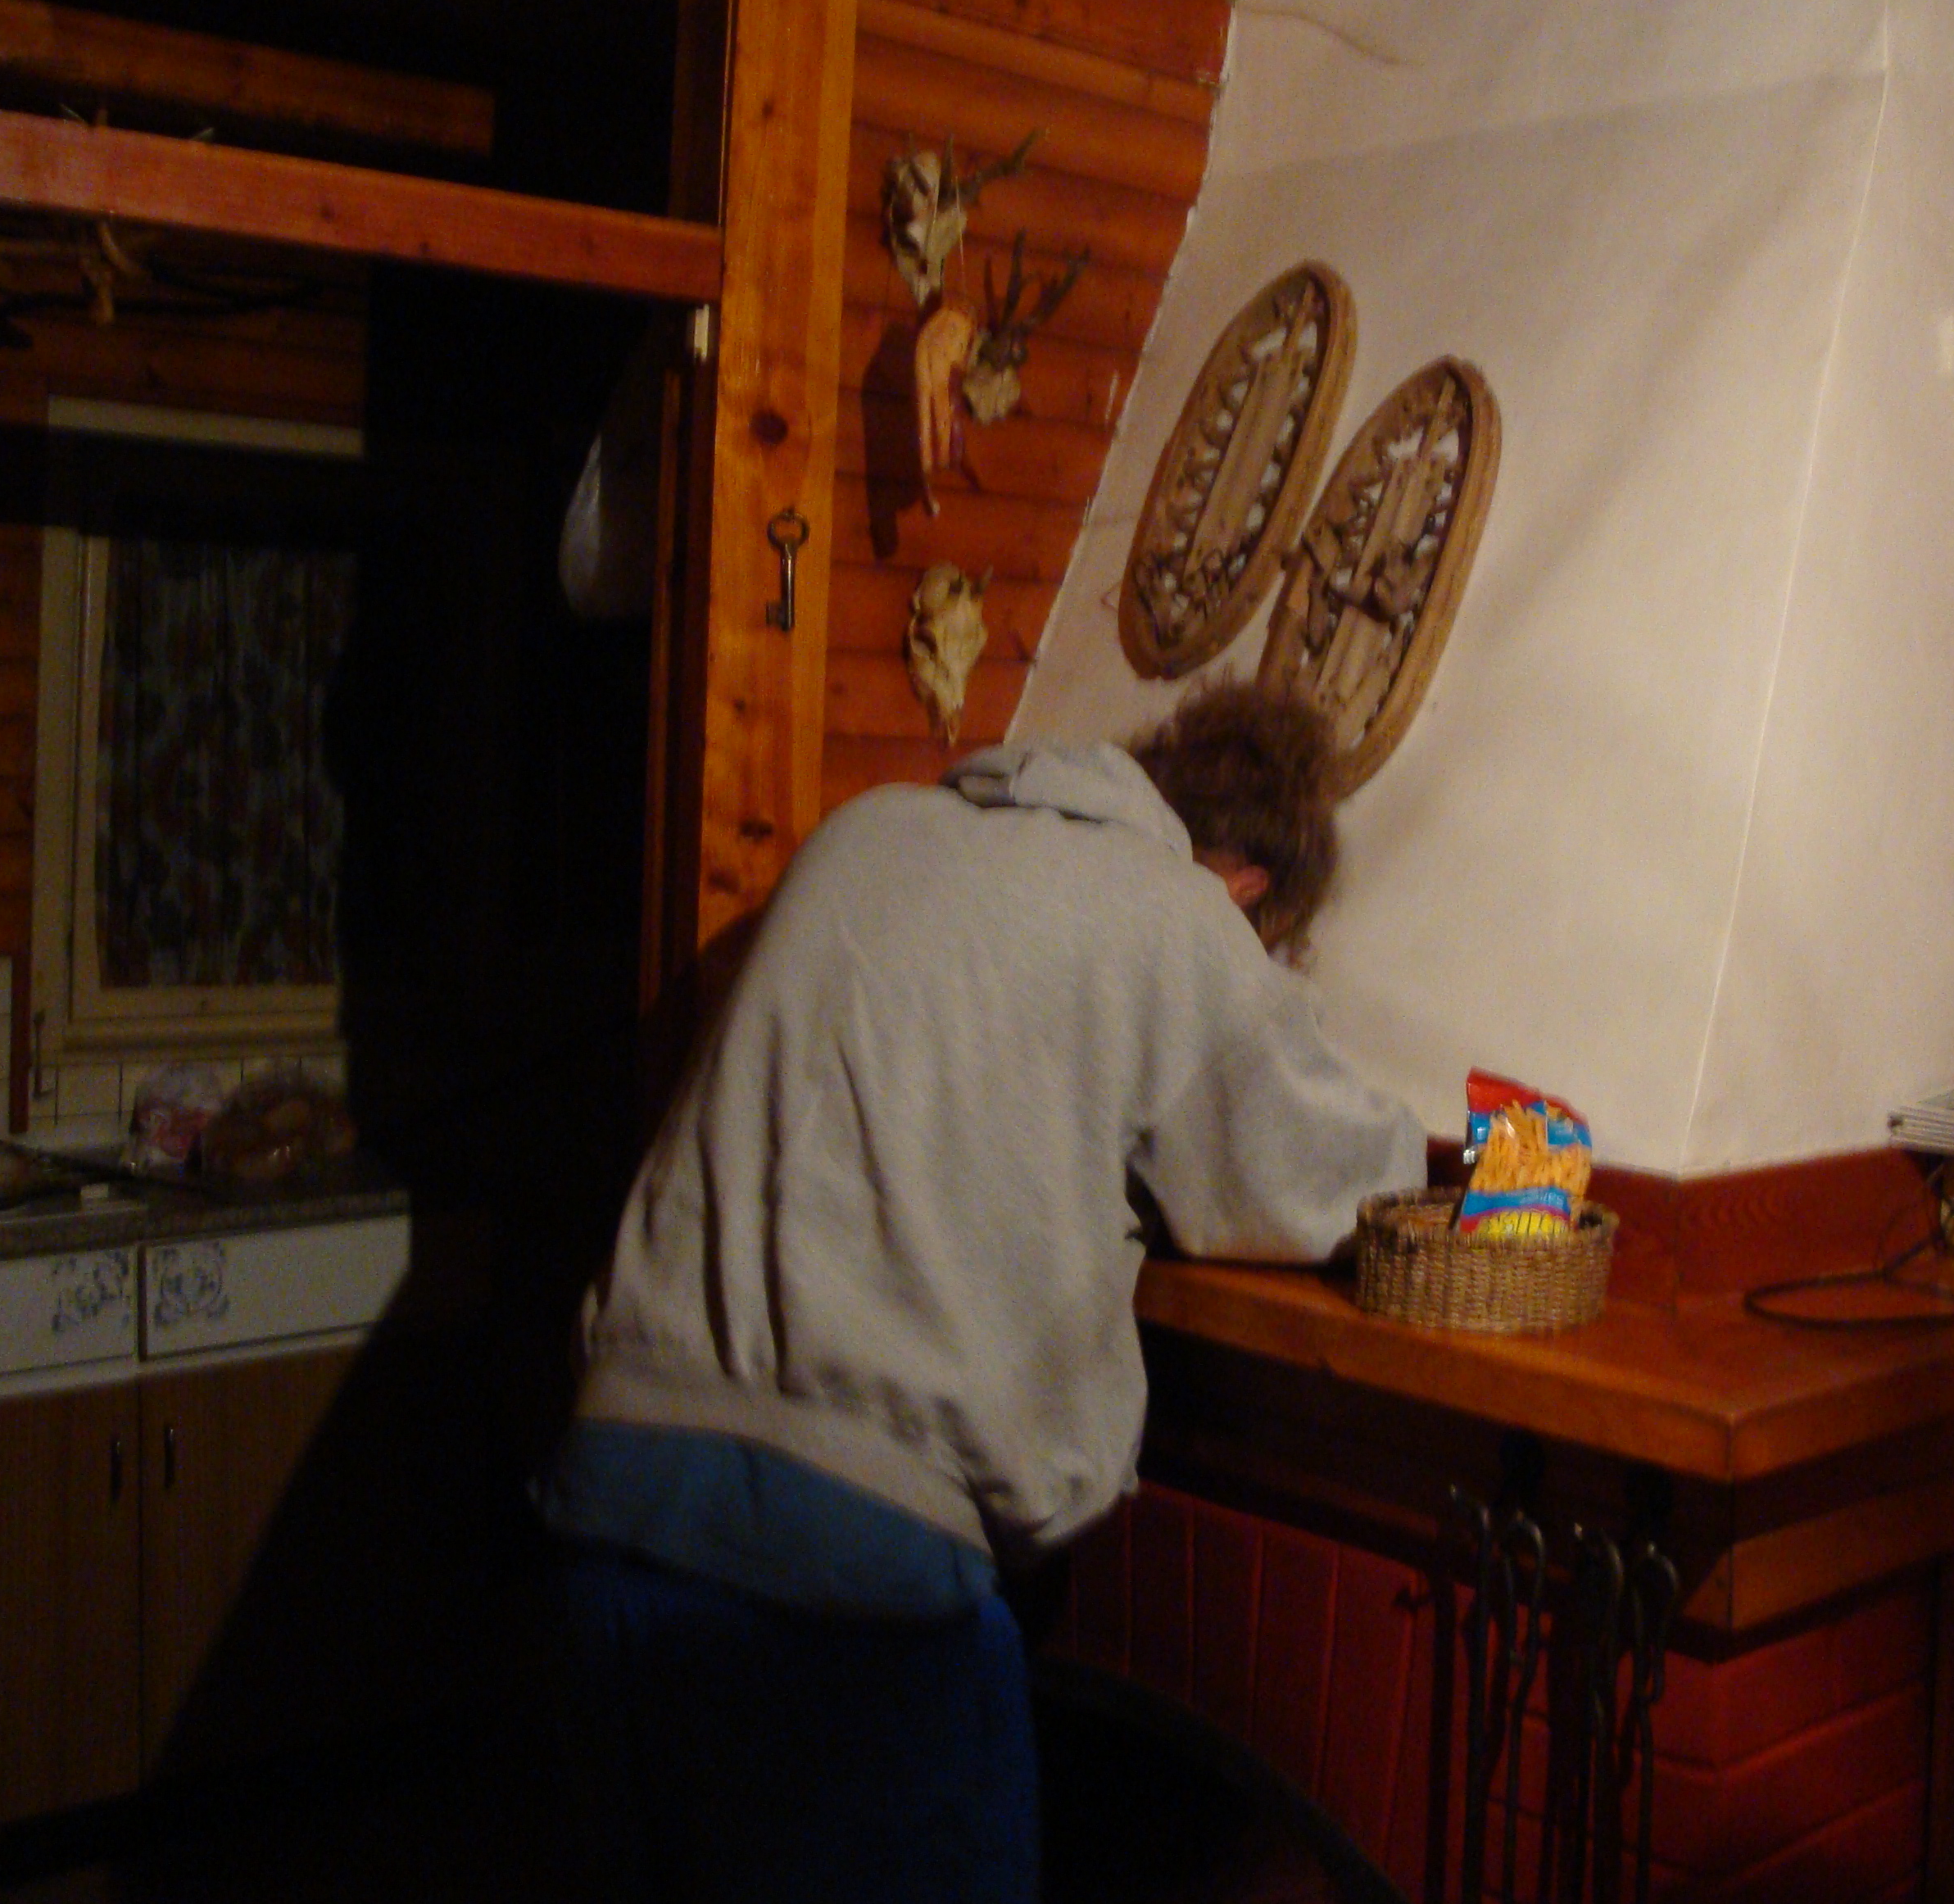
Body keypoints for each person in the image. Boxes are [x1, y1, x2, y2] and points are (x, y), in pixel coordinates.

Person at [542, 680, 1425, 1903]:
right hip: (849, 1574)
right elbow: (1328, 1180)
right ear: (1247, 890)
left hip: (607, 1498)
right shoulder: (1177, 917)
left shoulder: (870, 829)